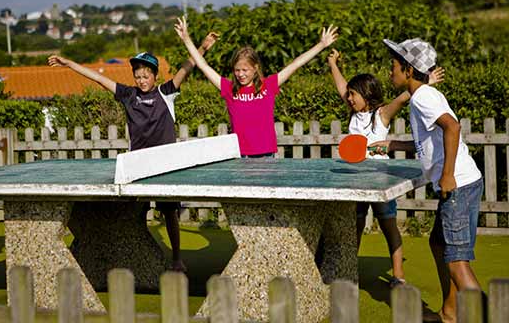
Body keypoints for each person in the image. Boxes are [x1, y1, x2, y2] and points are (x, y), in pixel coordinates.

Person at [48, 32, 219, 272]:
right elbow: (97, 78)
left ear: (154, 75)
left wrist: (203, 47)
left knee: (169, 214)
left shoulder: (165, 93)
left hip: (164, 167)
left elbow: (185, 69)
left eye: (146, 75)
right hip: (137, 166)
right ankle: (124, 252)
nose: (142, 80)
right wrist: (69, 64)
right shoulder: (128, 95)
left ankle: (177, 258)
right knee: (129, 209)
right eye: (138, 76)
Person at [371, 38, 483, 323]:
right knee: (438, 244)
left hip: (457, 185)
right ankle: (449, 312)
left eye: (393, 66)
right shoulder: (423, 96)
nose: (390, 71)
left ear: (408, 70)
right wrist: (394, 144)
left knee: (457, 264)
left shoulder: (422, 97)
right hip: (465, 183)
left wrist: (446, 177)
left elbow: (452, 127)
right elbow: (430, 142)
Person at [327, 48, 444, 288]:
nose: (348, 98)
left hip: (380, 181)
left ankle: (398, 275)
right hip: (355, 181)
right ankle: (350, 272)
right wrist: (332, 64)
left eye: (353, 95)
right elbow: (340, 86)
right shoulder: (352, 113)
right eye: (348, 95)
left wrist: (426, 82)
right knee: (355, 228)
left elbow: (403, 97)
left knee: (388, 226)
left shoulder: (381, 114)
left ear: (366, 95)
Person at [174, 16, 338, 157]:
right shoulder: (229, 89)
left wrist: (322, 45)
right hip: (239, 155)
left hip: (267, 155)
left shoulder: (268, 86)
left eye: (245, 70)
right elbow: (203, 66)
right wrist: (186, 39)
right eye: (237, 70)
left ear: (255, 68)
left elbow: (295, 64)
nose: (241, 74)